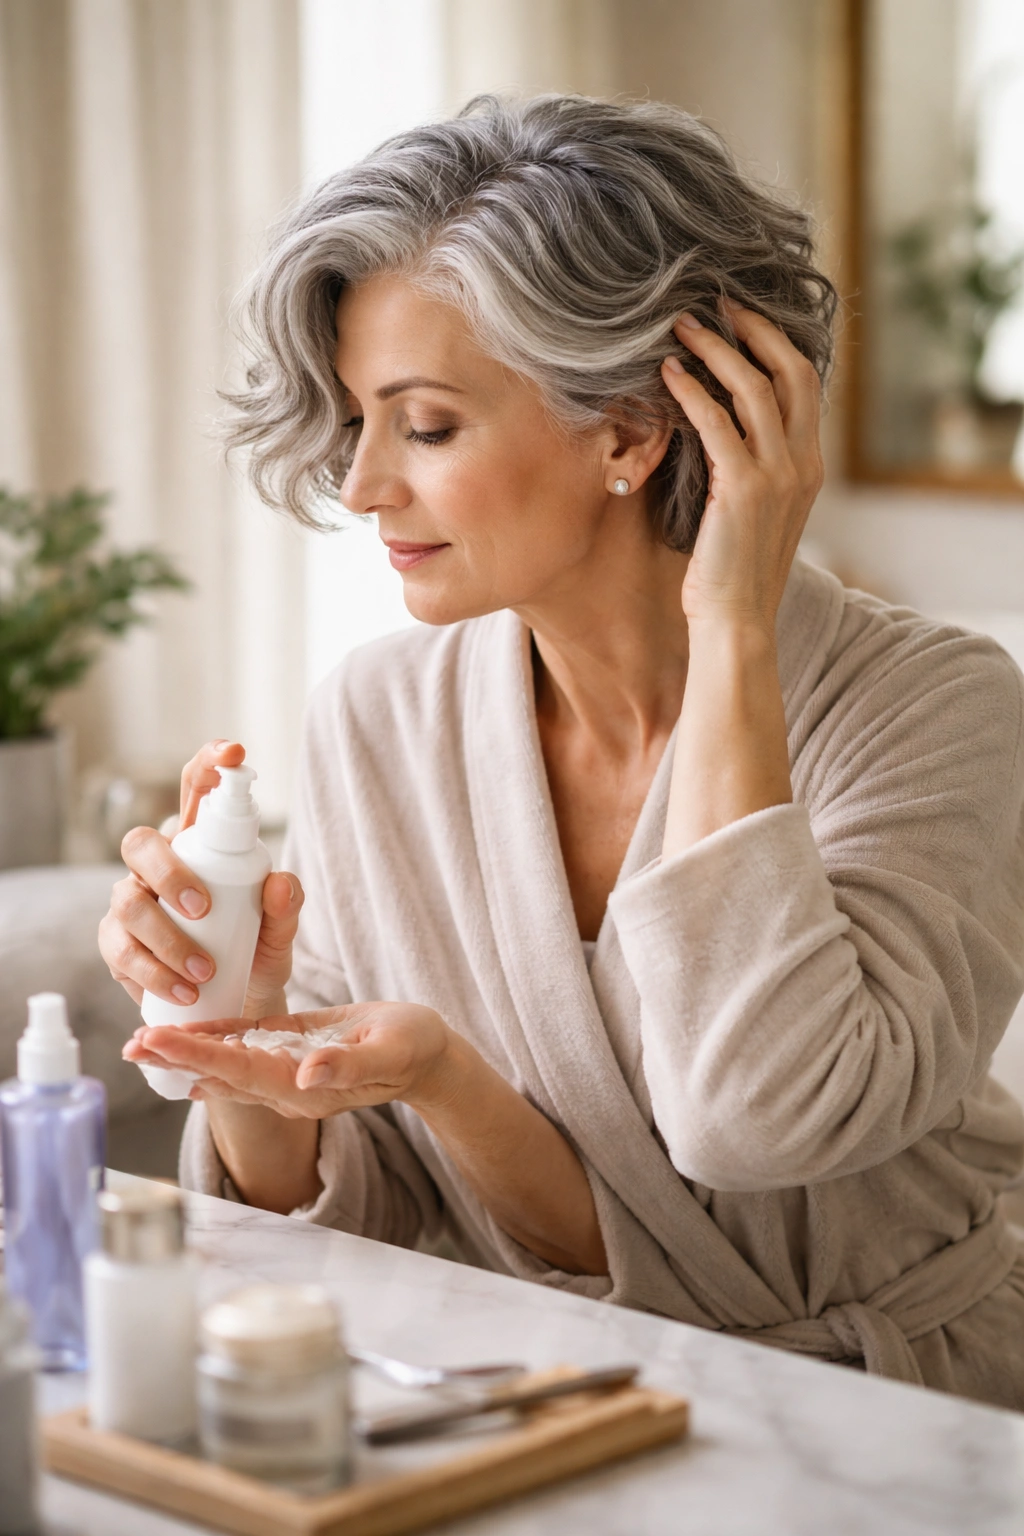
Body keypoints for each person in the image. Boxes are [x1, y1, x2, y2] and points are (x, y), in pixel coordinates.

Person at [103, 95, 1024, 1406]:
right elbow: (358, 1219)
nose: (361, 484)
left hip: (911, 1428)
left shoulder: (937, 712)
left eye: (422, 426)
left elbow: (757, 1120)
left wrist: (731, 628)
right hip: (560, 1404)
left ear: (634, 434)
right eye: (356, 420)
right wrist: (231, 1027)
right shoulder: (377, 717)